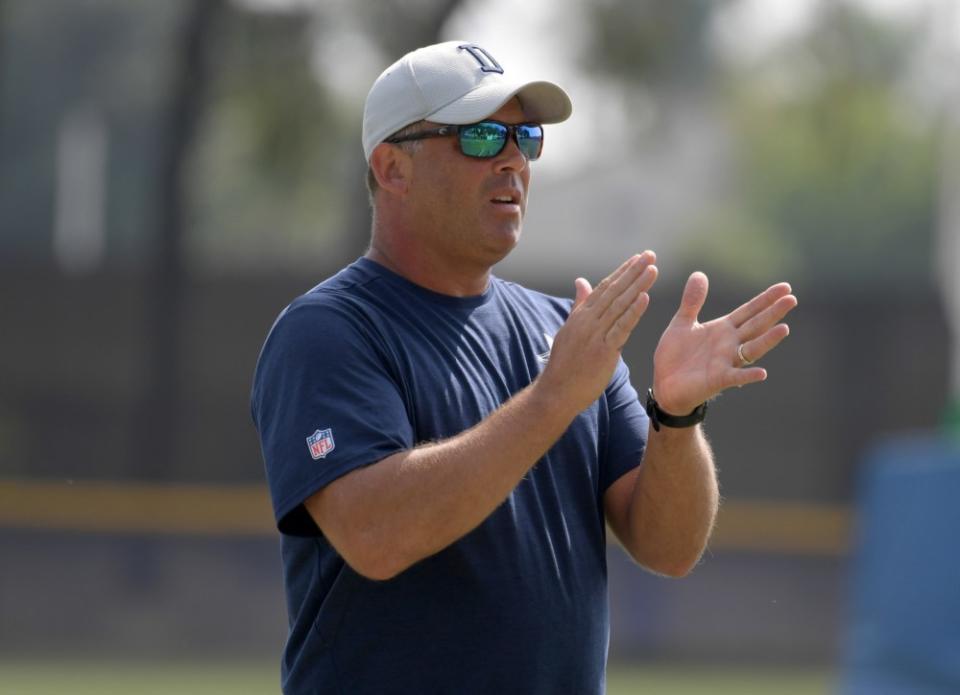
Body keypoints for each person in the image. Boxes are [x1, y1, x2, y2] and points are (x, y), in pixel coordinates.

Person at [251, 40, 797, 695]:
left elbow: (669, 547)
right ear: (393, 167)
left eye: (525, 136)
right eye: (481, 136)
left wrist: (675, 415)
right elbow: (376, 534)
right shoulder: (329, 331)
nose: (512, 158)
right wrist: (550, 400)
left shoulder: (565, 329)